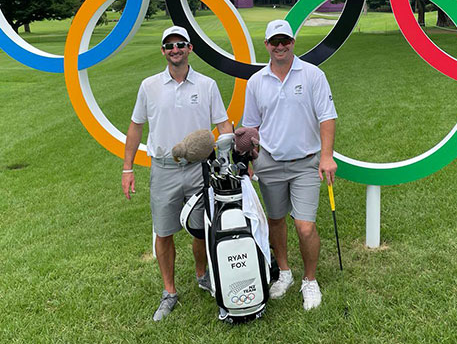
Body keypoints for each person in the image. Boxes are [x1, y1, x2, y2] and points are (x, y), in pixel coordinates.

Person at [121, 25, 233, 322]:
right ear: (163, 51)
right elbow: (136, 126)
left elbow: (223, 126)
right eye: (169, 45)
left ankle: (202, 275)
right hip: (163, 169)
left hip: (199, 170)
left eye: (180, 44)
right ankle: (169, 292)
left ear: (190, 48)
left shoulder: (207, 85)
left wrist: (227, 159)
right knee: (164, 231)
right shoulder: (149, 86)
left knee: (202, 229)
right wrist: (127, 167)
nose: (175, 49)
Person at [241, 19, 337, 311]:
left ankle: (310, 280)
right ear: (267, 45)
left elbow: (327, 117)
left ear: (293, 43)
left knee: (305, 226)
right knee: (275, 220)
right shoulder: (256, 82)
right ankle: (284, 272)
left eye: (285, 41)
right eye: (275, 42)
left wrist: (326, 156)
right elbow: (251, 127)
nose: (280, 47)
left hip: (306, 162)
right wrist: (248, 158)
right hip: (269, 161)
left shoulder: (312, 75)